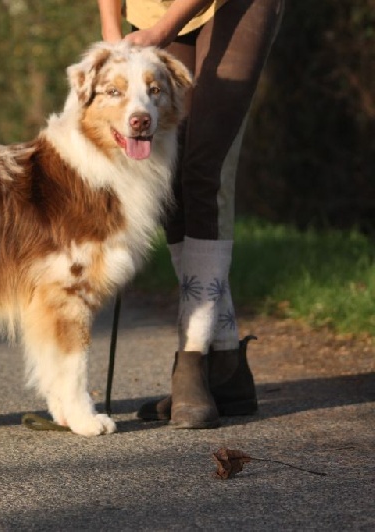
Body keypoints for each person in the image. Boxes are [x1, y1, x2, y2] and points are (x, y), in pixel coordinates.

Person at [97, 0, 284, 428]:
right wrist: (111, 31)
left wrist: (165, 27)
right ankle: (227, 369)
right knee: (172, 172)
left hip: (236, 7)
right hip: (153, 13)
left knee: (203, 168)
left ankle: (193, 362)